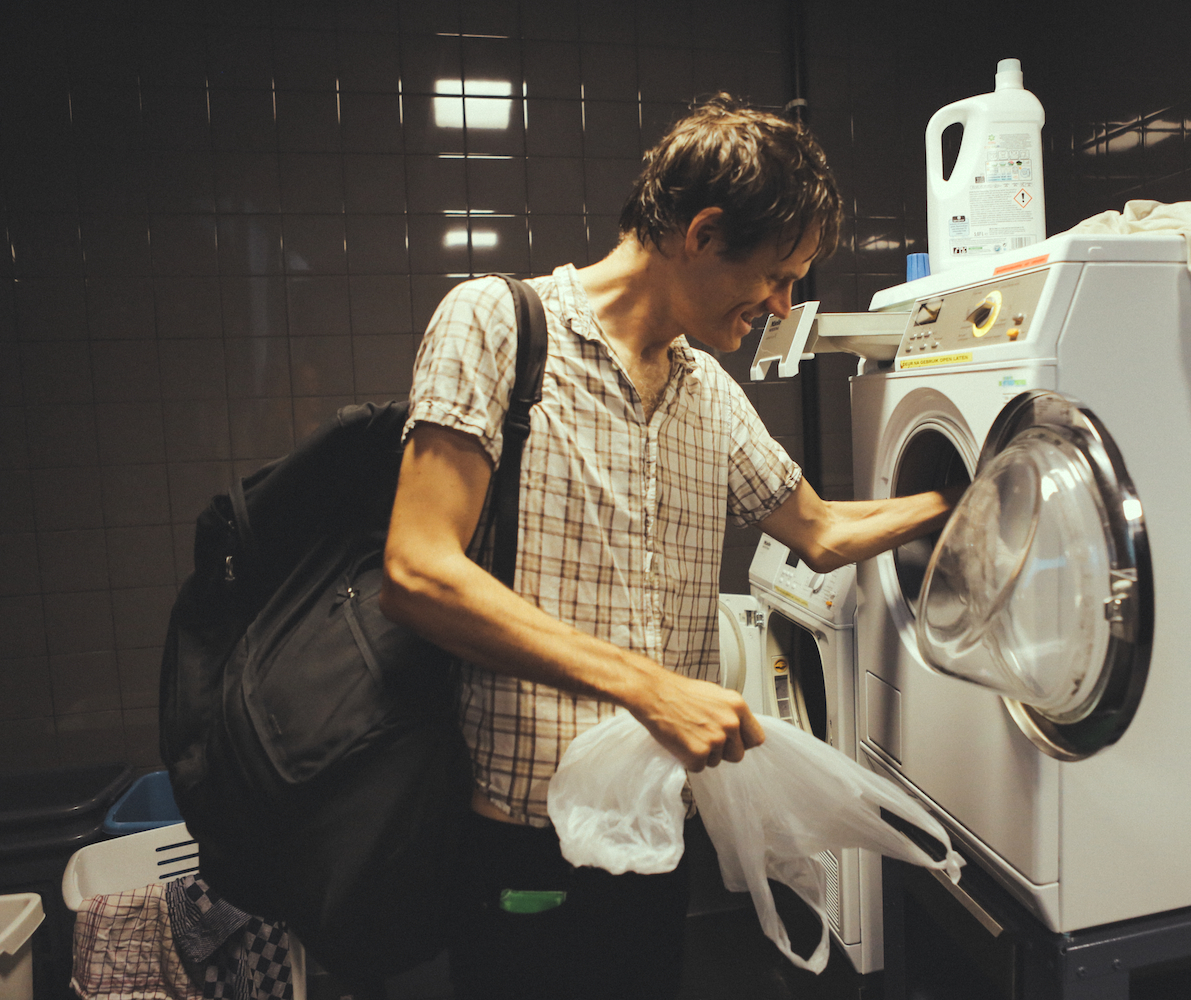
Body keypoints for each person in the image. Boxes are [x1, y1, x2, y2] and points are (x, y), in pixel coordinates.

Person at [380, 95, 958, 999]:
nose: (783, 305)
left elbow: (821, 531)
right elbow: (418, 571)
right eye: (777, 277)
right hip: (527, 833)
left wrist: (956, 497)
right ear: (704, 233)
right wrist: (649, 687)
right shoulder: (499, 324)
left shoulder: (707, 392)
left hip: (656, 828)